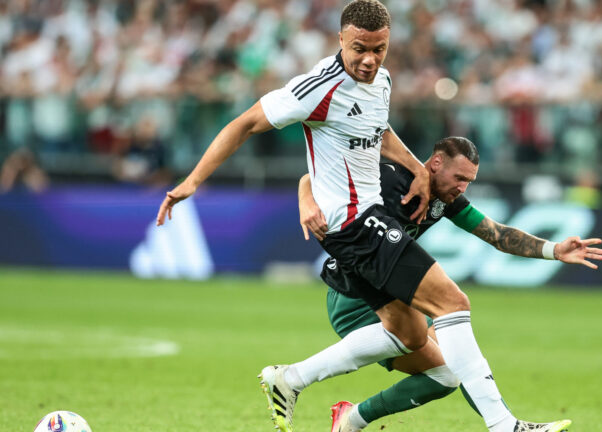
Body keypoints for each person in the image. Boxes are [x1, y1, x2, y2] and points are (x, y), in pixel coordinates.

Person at [156, 2, 562, 431]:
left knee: (409, 333)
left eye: (379, 49)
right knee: (452, 303)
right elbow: (243, 124)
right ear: (340, 41)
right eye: (359, 49)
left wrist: (420, 170)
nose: (369, 60)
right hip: (353, 224)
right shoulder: (315, 88)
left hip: (364, 225)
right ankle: (505, 426)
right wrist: (193, 181)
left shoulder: (382, 81)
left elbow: (378, 131)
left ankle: (291, 380)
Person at [292, 136, 602, 432]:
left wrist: (554, 249)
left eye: (469, 181)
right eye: (459, 178)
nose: (462, 187)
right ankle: (314, 391)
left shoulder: (443, 199)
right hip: (355, 299)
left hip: (391, 293)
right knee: (450, 342)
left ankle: (350, 417)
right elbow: (317, 175)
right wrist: (306, 199)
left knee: (449, 372)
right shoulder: (391, 175)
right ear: (436, 163)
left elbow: (496, 235)